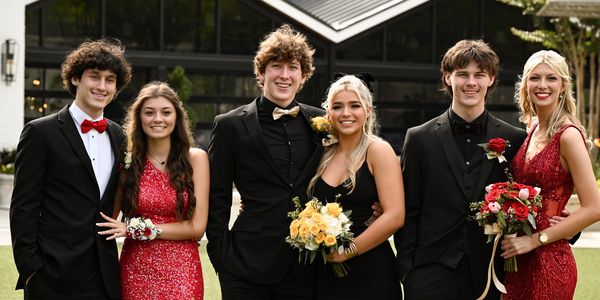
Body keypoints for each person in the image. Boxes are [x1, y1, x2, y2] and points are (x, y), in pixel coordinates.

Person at [393, 39, 527, 299]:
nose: (471, 82)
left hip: (491, 274)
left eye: (479, 74)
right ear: (447, 77)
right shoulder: (419, 138)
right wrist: (407, 272)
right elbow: (408, 210)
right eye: (462, 74)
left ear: (491, 79)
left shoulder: (516, 138)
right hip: (429, 275)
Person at [206, 24, 324, 300]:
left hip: (305, 268)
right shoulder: (230, 125)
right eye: (276, 66)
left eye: (293, 67)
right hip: (245, 266)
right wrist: (222, 256)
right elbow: (217, 196)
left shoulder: (322, 123)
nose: (284, 75)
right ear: (261, 72)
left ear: (303, 76)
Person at [10, 39, 132, 299]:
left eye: (110, 80)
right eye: (94, 77)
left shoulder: (119, 135)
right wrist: (32, 270)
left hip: (103, 274)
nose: (102, 86)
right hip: (51, 276)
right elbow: (23, 208)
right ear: (76, 78)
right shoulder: (40, 132)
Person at [500, 50, 600, 299]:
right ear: (525, 84)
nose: (542, 85)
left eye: (551, 78)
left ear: (563, 86)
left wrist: (536, 239)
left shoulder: (568, 135)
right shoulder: (533, 128)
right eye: (535, 78)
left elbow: (594, 207)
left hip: (549, 259)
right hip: (517, 258)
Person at [96, 81, 209, 300]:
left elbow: (196, 228)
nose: (158, 119)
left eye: (166, 112)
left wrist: (136, 229)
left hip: (183, 271)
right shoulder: (127, 163)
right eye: (149, 112)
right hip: (136, 270)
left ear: (176, 117)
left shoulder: (196, 159)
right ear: (139, 118)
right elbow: (108, 219)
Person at [309, 74, 404, 299]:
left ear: (368, 110)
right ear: (328, 112)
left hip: (370, 273)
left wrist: (347, 251)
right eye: (337, 106)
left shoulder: (378, 151)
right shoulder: (321, 153)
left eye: (354, 106)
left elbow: (395, 215)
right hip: (323, 274)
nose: (346, 113)